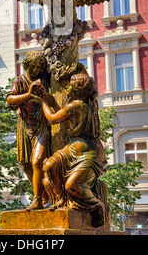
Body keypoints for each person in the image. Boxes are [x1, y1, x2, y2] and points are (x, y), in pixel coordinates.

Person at [39, 72, 108, 226]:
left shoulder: (75, 106)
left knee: (73, 185)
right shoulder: (92, 103)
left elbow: (52, 119)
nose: (67, 86)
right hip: (71, 149)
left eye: (70, 84)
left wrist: (44, 102)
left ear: (77, 89)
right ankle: (61, 199)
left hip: (88, 153)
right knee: (50, 166)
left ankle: (96, 205)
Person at [6, 50, 51, 210]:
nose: (35, 69)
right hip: (24, 124)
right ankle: (45, 196)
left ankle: (38, 199)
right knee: (25, 164)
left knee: (37, 161)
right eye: (32, 66)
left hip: (42, 124)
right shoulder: (19, 81)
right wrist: (28, 94)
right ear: (25, 65)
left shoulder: (45, 80)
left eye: (39, 66)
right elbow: (10, 101)